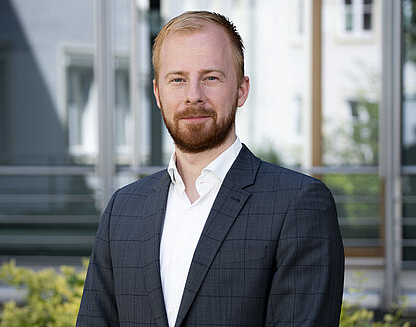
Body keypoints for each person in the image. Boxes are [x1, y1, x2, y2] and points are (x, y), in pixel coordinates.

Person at [76, 10, 344, 327]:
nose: (193, 96)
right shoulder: (123, 209)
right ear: (158, 94)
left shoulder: (298, 204)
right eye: (177, 79)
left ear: (241, 90)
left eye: (211, 78)